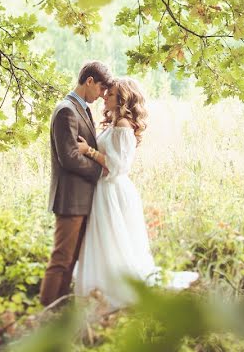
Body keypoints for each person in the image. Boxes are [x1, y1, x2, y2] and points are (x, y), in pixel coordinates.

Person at [74, 77, 198, 309]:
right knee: (106, 240)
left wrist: (88, 151)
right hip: (103, 189)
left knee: (115, 239)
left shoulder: (122, 126)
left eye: (110, 94)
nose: (105, 97)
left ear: (122, 99)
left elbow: (119, 165)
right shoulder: (114, 124)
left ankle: (118, 289)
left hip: (113, 191)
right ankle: (101, 286)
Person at [39, 61, 114, 307]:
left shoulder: (81, 109)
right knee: (61, 259)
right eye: (101, 88)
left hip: (82, 199)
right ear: (89, 81)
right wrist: (99, 169)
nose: (102, 95)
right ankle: (46, 311)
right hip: (71, 198)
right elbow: (69, 158)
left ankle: (58, 308)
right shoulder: (66, 111)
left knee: (70, 260)